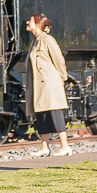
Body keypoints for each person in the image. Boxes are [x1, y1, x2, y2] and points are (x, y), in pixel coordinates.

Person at [25, 13, 72, 157]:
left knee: (55, 113)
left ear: (38, 24)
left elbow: (58, 58)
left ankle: (65, 146)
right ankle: (44, 146)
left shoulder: (47, 40)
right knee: (42, 115)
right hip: (39, 84)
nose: (27, 22)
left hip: (49, 83)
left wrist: (63, 76)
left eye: (31, 21)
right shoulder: (36, 41)